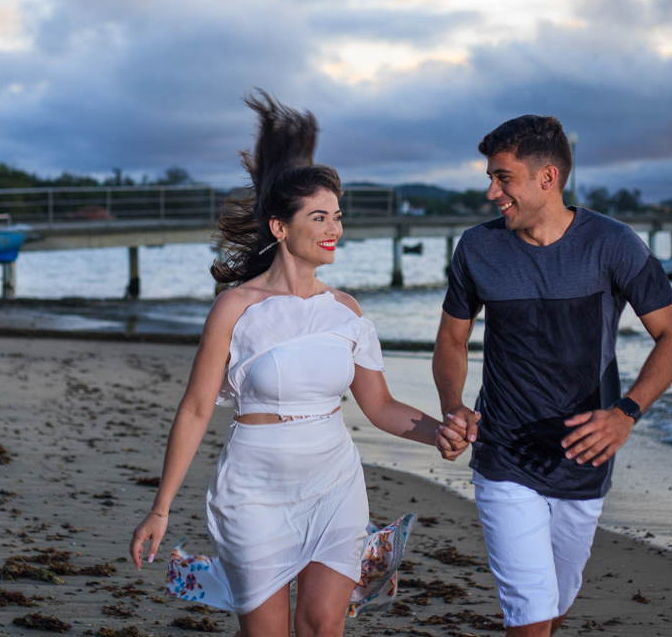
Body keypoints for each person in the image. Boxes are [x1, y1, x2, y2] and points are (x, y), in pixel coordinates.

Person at [130, 92, 458, 637]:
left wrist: (440, 432)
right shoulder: (236, 309)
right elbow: (193, 411)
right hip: (255, 488)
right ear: (281, 228)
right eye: (319, 217)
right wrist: (161, 509)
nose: (335, 229)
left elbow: (378, 407)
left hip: (333, 481)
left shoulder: (345, 311)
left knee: (323, 627)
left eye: (337, 216)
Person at [433, 115, 672, 637]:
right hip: (504, 452)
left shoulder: (614, 244)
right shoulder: (477, 249)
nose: (491, 192)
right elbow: (452, 340)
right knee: (529, 610)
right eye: (491, 177)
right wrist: (454, 406)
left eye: (503, 178)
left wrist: (626, 414)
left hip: (584, 458)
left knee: (555, 598)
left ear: (547, 178)